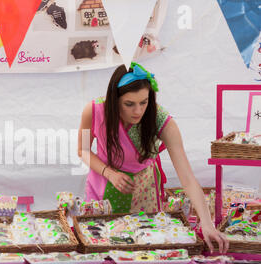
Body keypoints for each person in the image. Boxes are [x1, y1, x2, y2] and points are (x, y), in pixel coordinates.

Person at [78, 62, 229, 253]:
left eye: (144, 102)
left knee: (145, 247)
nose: (138, 111)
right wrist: (110, 174)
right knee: (101, 242)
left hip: (143, 190)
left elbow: (187, 178)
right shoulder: (93, 111)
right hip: (103, 184)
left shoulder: (161, 121)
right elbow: (82, 149)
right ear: (114, 99)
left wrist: (207, 224)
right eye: (129, 104)